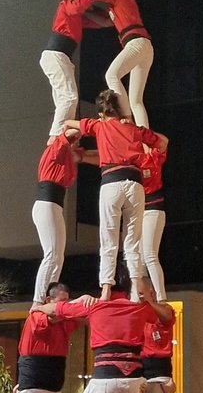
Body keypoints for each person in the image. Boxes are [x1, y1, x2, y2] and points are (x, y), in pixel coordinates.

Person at [62, 90, 167, 297]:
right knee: (132, 240)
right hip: (135, 184)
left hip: (111, 182)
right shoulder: (133, 129)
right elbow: (163, 141)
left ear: (101, 112)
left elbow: (73, 123)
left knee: (109, 238)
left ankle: (106, 289)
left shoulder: (99, 126)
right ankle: (136, 289)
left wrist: (67, 126)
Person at [37, 265, 174, 393]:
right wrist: (146, 302)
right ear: (130, 287)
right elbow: (167, 317)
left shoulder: (95, 306)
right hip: (133, 381)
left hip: (104, 379)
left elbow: (55, 309)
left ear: (104, 284)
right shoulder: (139, 308)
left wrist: (38, 307)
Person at [17, 283, 92, 393]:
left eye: (67, 301)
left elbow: (84, 319)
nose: (65, 305)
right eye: (61, 302)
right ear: (49, 300)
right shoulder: (37, 314)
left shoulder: (63, 318)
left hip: (54, 385)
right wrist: (78, 301)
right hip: (36, 383)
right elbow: (55, 314)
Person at [69, 0, 154, 127]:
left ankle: (127, 119)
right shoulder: (118, 2)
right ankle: (146, 140)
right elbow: (105, 21)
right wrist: (86, 12)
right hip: (144, 45)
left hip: (136, 43)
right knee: (136, 101)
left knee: (112, 75)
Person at [31, 130, 82, 306]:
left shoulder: (66, 156)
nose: (76, 144)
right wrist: (91, 124)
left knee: (58, 256)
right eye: (74, 141)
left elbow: (85, 155)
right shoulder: (55, 149)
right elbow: (70, 133)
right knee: (51, 253)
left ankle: (49, 297)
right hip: (46, 204)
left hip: (54, 205)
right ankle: (38, 300)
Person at [39, 0, 97, 137]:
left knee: (63, 100)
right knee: (69, 97)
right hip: (56, 55)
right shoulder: (66, 4)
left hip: (60, 57)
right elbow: (82, 3)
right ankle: (56, 136)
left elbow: (102, 22)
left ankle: (60, 134)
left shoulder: (77, 16)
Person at [139, 144, 168, 301]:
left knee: (149, 255)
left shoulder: (154, 157)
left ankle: (161, 297)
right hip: (140, 211)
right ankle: (143, 295)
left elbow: (163, 141)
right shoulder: (133, 160)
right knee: (141, 259)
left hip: (153, 209)